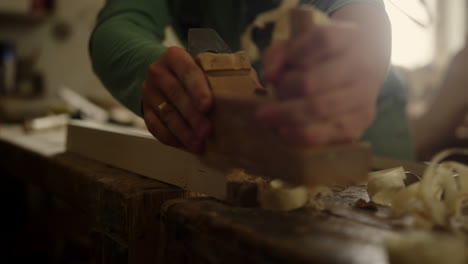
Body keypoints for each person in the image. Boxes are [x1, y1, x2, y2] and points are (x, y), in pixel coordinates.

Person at [90, 0, 415, 160]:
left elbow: (362, 13)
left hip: (370, 149)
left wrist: (363, 55)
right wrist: (163, 76)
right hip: (242, 155)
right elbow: (117, 26)